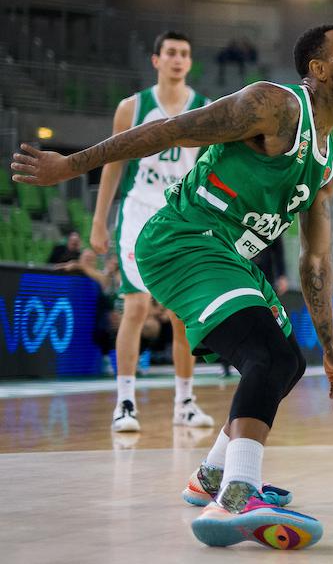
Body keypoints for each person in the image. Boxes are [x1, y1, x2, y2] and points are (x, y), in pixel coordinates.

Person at [12, 23, 333, 549]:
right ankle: (238, 497)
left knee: (289, 362)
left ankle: (209, 479)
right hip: (184, 238)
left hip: (228, 254)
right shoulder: (273, 105)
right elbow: (172, 130)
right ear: (317, 70)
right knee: (264, 356)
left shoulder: (328, 162)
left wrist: (332, 347)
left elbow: (316, 261)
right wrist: (72, 164)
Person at [89, 31, 215, 432]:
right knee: (137, 307)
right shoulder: (133, 107)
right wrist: (98, 220)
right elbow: (112, 165)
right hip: (139, 214)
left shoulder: (204, 109)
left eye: (185, 54)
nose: (178, 59)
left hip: (180, 218)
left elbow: (208, 172)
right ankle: (125, 403)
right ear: (156, 59)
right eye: (171, 53)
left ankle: (185, 402)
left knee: (181, 315)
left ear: (190, 62)